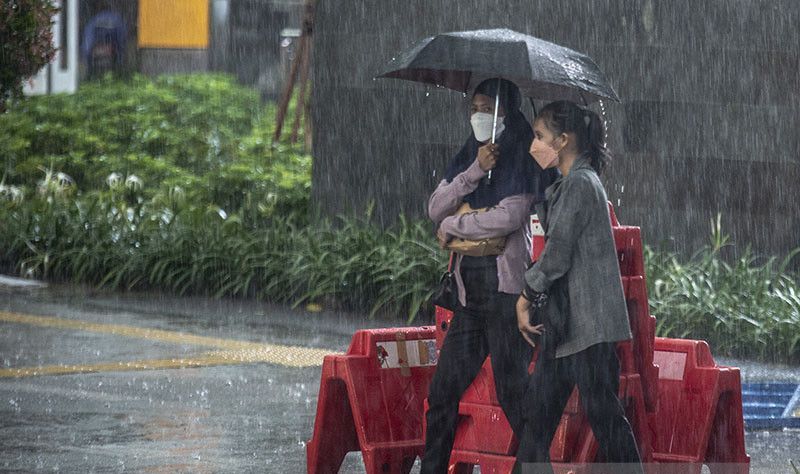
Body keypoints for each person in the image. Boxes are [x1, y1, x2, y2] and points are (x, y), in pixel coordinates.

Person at [422, 78, 556, 474]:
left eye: (487, 108)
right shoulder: (471, 153)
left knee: (513, 393)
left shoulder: (522, 156)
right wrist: (476, 170)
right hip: (469, 301)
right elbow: (435, 208)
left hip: (505, 298)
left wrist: (456, 226)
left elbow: (510, 218)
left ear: (507, 112)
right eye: (474, 108)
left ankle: (536, 468)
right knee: (442, 392)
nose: (479, 116)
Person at [514, 100, 643, 474]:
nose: (533, 144)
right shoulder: (570, 184)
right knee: (537, 423)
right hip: (568, 328)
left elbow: (557, 255)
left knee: (605, 420)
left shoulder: (581, 184)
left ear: (564, 140)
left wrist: (525, 297)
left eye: (540, 136)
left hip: (587, 329)